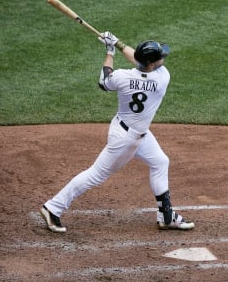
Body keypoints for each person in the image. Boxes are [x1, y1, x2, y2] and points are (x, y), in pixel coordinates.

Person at [40, 32, 195, 232]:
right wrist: (119, 44)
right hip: (127, 140)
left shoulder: (122, 76)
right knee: (96, 174)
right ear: (152, 65)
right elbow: (140, 60)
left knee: (160, 161)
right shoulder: (162, 79)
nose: (163, 59)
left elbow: (104, 81)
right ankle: (53, 207)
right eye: (160, 58)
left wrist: (111, 51)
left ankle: (166, 216)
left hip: (127, 129)